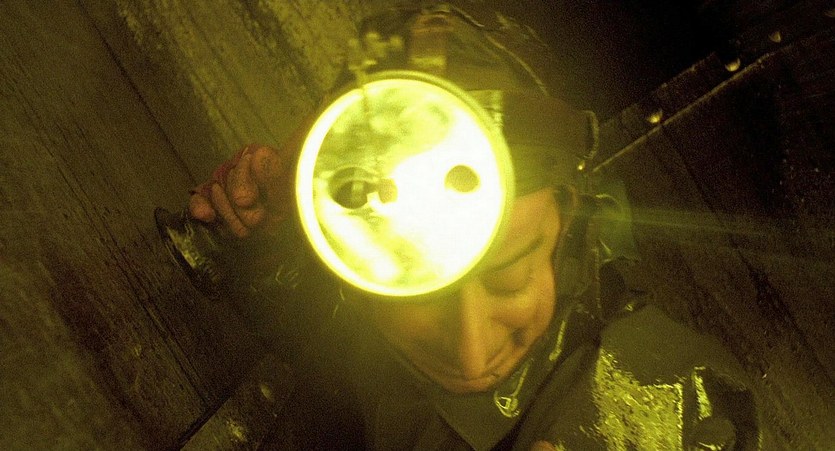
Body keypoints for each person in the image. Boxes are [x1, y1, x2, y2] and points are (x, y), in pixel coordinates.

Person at [181, 2, 765, 449]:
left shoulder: (659, 384)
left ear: (568, 224)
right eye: (422, 287)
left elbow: (685, 406)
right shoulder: (347, 301)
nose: (471, 350)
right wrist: (266, 248)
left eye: (509, 278)